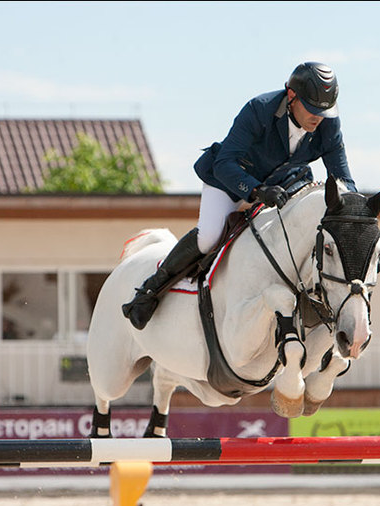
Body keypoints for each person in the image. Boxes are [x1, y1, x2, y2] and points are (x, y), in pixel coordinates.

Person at [123, 62, 356, 329]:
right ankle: (150, 290)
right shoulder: (260, 109)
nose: (318, 117)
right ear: (291, 96)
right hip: (232, 180)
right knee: (209, 237)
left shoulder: (327, 123)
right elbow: (225, 163)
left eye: (324, 111)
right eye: (312, 109)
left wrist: (353, 209)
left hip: (281, 185)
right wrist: (256, 190)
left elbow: (342, 177)